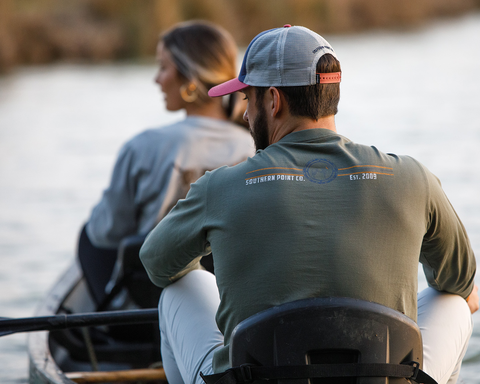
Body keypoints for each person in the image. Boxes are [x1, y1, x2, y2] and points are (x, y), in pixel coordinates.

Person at [139, 25, 478, 384]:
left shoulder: (219, 186)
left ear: (273, 100)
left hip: (254, 377)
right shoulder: (414, 178)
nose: (244, 116)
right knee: (454, 301)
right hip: (384, 376)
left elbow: (157, 265)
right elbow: (460, 280)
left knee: (179, 289)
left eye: (247, 100)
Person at [78, 20, 255, 306]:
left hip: (151, 305)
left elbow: (106, 232)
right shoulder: (259, 148)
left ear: (190, 78)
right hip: (235, 305)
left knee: (88, 236)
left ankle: (105, 325)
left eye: (162, 67)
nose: (156, 79)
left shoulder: (142, 148)